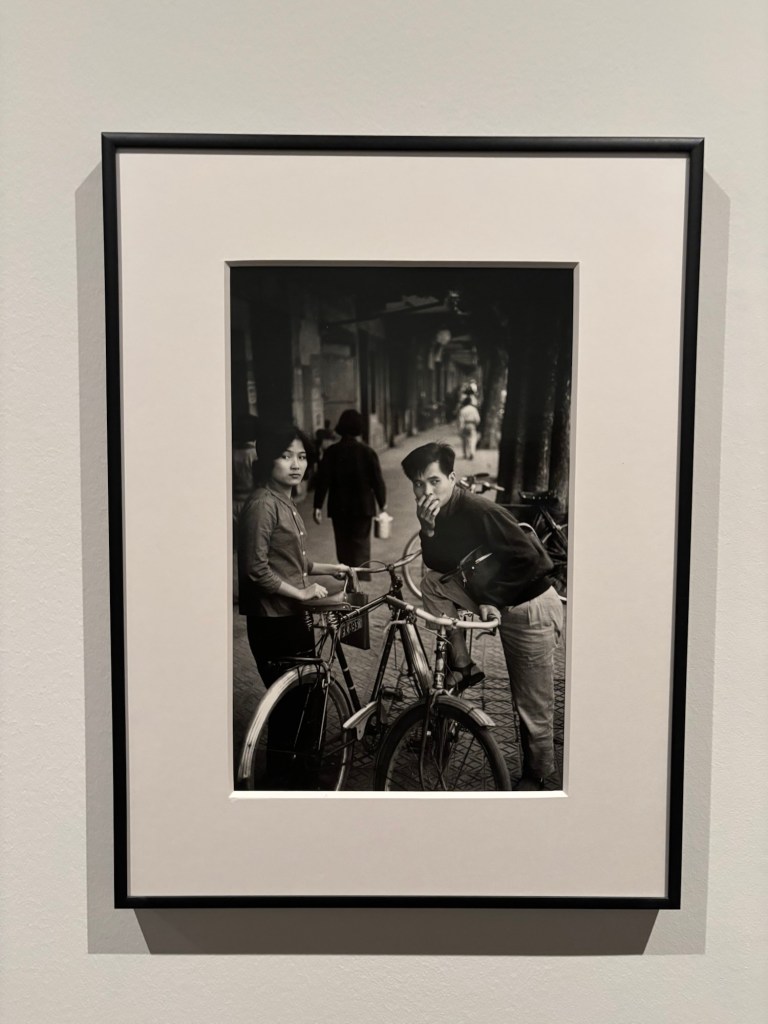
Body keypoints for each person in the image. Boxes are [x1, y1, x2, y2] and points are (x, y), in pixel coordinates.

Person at [400, 442, 564, 790]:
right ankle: (463, 665)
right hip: (500, 600)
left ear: (452, 478)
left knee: (531, 706)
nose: (426, 491)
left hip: (530, 606)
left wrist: (491, 599)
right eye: (418, 484)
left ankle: (537, 778)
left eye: (434, 481)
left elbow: (531, 559)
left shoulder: (477, 509)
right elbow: (438, 566)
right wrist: (428, 531)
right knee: (432, 583)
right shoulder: (441, 511)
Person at [238, 423, 349, 785]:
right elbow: (255, 569)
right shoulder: (262, 505)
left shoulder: (286, 501)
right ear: (268, 460)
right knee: (290, 708)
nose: (296, 464)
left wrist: (331, 568)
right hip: (273, 623)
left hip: (292, 619)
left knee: (306, 702)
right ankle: (281, 783)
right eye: (285, 456)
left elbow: (293, 562)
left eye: (301, 456)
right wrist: (301, 593)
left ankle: (300, 778)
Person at [312, 409, 387, 580]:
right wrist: (382, 503)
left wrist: (317, 506)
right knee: (361, 545)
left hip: (339, 508)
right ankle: (360, 580)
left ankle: (347, 577)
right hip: (363, 508)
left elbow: (323, 481)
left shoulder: (331, 452)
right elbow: (377, 481)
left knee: (343, 545)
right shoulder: (367, 452)